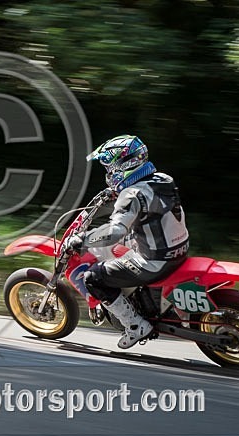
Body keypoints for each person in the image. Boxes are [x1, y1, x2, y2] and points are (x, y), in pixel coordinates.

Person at [67, 135, 190, 349]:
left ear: (123, 165)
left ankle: (135, 325)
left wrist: (84, 239)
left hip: (154, 261)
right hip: (178, 248)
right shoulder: (162, 179)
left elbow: (115, 231)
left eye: (110, 168)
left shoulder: (131, 194)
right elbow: (149, 209)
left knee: (93, 277)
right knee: (122, 245)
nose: (108, 173)